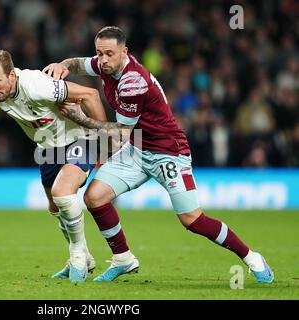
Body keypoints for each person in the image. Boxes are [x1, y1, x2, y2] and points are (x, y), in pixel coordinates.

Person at [43, 26, 274, 282]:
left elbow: (120, 131)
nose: (103, 59)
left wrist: (80, 118)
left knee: (192, 220)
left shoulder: (133, 82)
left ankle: (251, 257)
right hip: (138, 147)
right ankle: (123, 258)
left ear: (124, 52)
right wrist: (61, 65)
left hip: (168, 151)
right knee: (95, 197)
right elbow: (79, 64)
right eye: (100, 53)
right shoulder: (105, 64)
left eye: (109, 53)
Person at [0, 49, 108, 282]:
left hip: (79, 138)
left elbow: (90, 94)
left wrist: (104, 140)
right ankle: (86, 259)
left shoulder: (38, 85)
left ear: (12, 75)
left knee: (63, 193)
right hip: (48, 148)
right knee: (54, 207)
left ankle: (78, 256)